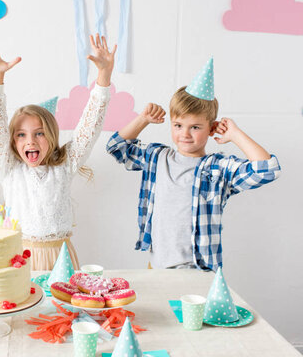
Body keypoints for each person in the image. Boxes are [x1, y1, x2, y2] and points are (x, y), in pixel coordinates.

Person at [106, 65, 281, 271]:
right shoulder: (157, 158)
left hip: (198, 270)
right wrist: (143, 119)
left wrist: (235, 135)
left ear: (211, 128)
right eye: (178, 125)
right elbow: (116, 148)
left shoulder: (217, 169)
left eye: (195, 127)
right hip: (156, 266)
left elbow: (268, 169)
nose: (185, 134)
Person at [0, 35, 115, 270]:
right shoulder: (9, 168)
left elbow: (89, 128)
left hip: (60, 258)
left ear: (51, 136)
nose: (30, 141)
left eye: (39, 133)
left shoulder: (64, 165)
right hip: (19, 257)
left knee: (61, 308)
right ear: (12, 140)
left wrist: (104, 77)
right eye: (21, 135)